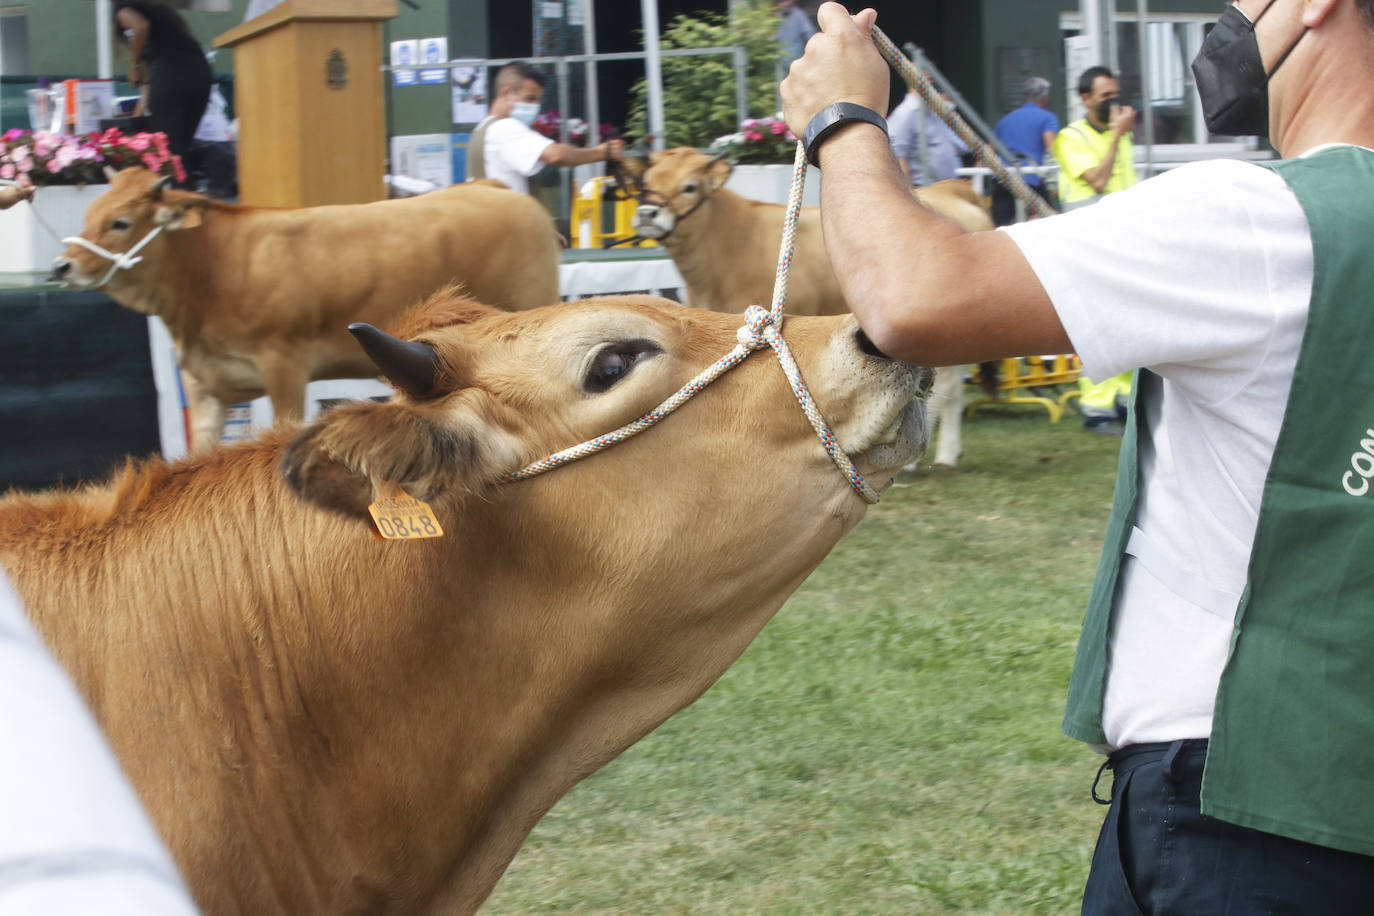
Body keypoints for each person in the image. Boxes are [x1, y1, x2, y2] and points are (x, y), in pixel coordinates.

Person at [781, 1, 1374, 912]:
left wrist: (843, 118)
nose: (1227, 21)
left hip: (1238, 818)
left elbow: (911, 298)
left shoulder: (1263, 219)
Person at [466, 62, 623, 195]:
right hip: (508, 228)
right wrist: (602, 152)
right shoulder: (506, 127)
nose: (535, 106)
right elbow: (556, 155)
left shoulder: (481, 130)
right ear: (506, 93)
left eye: (537, 100)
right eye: (529, 98)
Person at [114, 1, 212, 189]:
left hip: (170, 74)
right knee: (181, 149)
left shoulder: (122, 5)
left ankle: (181, 208)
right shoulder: (161, 12)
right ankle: (190, 205)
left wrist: (133, 65)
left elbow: (140, 26)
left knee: (170, 154)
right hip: (199, 70)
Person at [1054, 65, 1137, 210]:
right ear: (1086, 99)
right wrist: (1117, 135)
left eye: (1115, 94)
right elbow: (1099, 182)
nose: (1113, 102)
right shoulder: (1070, 137)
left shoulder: (1121, 131)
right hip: (1087, 220)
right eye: (1106, 96)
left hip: (1122, 214)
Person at [990, 76, 1059, 224]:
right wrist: (1054, 184)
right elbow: (1051, 149)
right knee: (1049, 223)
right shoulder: (1047, 118)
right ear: (1044, 97)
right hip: (1031, 184)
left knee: (1000, 228)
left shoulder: (1005, 120)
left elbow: (988, 151)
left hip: (1004, 180)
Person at [887, 90, 967, 187]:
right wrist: (910, 193)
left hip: (947, 190)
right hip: (924, 191)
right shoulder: (905, 112)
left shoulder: (936, 114)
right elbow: (897, 156)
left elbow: (959, 146)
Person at [775, 0, 817, 82]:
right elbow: (775, 36)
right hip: (781, 60)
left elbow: (810, 34)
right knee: (782, 86)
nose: (784, 4)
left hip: (796, 60)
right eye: (781, 2)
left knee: (798, 84)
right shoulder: (778, 16)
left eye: (786, 1)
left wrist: (812, 55)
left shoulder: (799, 15)